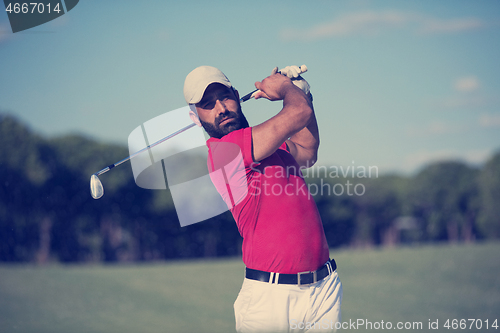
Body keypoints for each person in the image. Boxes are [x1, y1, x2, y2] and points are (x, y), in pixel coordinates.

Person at [183, 65, 342, 332]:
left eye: (225, 97)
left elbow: (307, 150)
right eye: (208, 105)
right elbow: (297, 112)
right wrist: (284, 88)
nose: (221, 108)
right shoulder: (224, 152)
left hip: (322, 288)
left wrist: (302, 91)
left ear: (236, 94)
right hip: (270, 298)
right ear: (195, 117)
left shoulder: (271, 143)